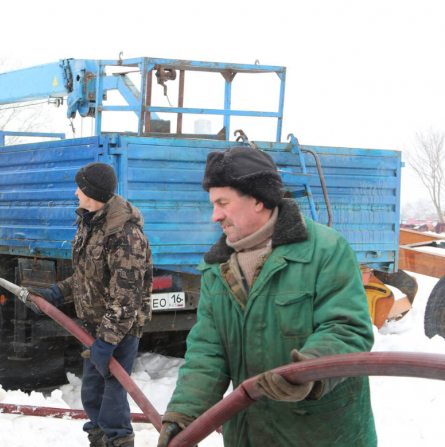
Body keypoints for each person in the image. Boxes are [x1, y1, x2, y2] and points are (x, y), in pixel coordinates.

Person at [157, 146, 377, 447]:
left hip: (320, 434)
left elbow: (347, 328)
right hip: (250, 434)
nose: (214, 215)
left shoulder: (325, 250)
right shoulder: (215, 269)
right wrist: (184, 412)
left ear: (258, 199)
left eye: (223, 203)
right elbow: (209, 351)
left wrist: (307, 372)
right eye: (212, 204)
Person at [29, 162, 153, 447]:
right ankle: (98, 441)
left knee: (112, 396)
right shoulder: (91, 222)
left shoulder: (124, 235)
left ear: (92, 192)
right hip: (96, 327)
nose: (75, 192)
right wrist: (55, 294)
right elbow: (87, 277)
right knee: (93, 394)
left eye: (80, 188)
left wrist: (108, 342)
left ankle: (119, 441)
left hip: (120, 329)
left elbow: (126, 296)